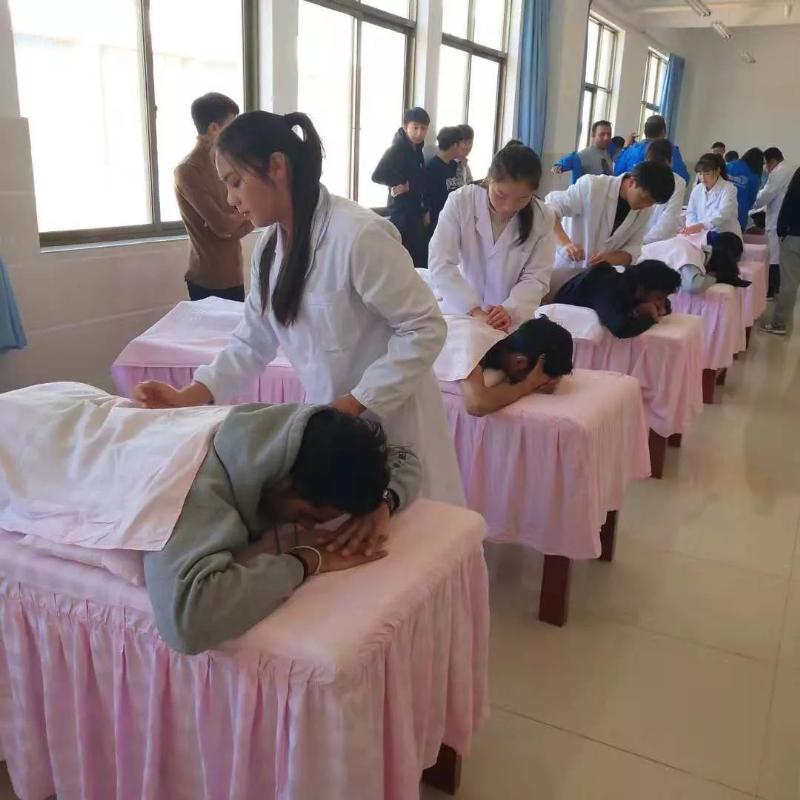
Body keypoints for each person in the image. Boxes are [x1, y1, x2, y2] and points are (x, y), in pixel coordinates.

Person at [135, 110, 464, 508]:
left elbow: (425, 328)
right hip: (337, 428)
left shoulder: (357, 235)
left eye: (235, 182)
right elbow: (252, 340)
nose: (230, 200)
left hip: (396, 422)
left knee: (413, 533)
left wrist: (356, 402)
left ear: (277, 166)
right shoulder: (268, 250)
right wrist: (192, 394)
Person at [428, 143, 555, 333]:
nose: (508, 207)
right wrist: (475, 310)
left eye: (522, 199)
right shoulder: (461, 202)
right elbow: (441, 263)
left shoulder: (543, 217)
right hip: (461, 311)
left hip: (510, 320)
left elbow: (536, 278)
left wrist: (510, 310)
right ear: (489, 179)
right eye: (501, 195)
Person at [174, 93, 253, 302]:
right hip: (206, 279)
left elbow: (251, 214)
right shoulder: (188, 170)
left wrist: (238, 218)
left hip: (234, 275)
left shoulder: (228, 163)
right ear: (214, 128)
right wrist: (239, 217)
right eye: (231, 125)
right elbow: (223, 226)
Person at [545, 161, 674, 283]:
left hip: (596, 279)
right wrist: (566, 244)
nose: (646, 205)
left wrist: (611, 258)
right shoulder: (592, 186)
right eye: (643, 198)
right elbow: (550, 211)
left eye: (651, 203)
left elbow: (633, 248)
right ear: (631, 182)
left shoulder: (645, 210)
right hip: (564, 270)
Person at [460, 317, 574, 416]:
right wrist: (529, 384)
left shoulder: (502, 347)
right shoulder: (471, 342)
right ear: (520, 362)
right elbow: (476, 405)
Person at [554, 259, 680, 338]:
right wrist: (649, 317)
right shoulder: (606, 289)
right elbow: (620, 329)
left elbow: (665, 307)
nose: (662, 305)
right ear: (642, 288)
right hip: (563, 323)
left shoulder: (634, 286)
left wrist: (660, 307)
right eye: (658, 298)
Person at [372, 107, 431, 269]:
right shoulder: (396, 149)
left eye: (423, 129)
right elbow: (377, 175)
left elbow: (420, 180)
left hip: (415, 210)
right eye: (415, 128)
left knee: (419, 257)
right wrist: (402, 183)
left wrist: (425, 208)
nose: (419, 133)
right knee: (405, 259)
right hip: (401, 213)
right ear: (405, 127)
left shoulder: (417, 149)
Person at [759, 165, 800, 335]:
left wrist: (781, 231)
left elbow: (790, 202)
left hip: (795, 236)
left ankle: (780, 323)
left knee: (789, 282)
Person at [642, 231, 750, 294]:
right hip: (637, 266)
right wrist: (716, 278)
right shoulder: (691, 253)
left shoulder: (697, 250)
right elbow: (692, 286)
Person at [752, 147, 795, 297]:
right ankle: (776, 288)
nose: (765, 168)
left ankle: (772, 289)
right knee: (780, 255)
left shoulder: (779, 172)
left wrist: (751, 202)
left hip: (778, 218)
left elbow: (766, 194)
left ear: (773, 161)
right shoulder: (791, 168)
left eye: (766, 163)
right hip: (786, 219)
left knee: (773, 255)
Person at [613, 115, 690, 183]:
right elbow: (684, 178)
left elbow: (617, 174)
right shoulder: (669, 150)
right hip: (658, 193)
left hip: (630, 193)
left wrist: (625, 147)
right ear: (663, 132)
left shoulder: (629, 150)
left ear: (645, 132)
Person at [682, 153, 742, 238]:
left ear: (717, 171)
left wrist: (701, 226)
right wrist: (692, 227)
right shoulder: (697, 189)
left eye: (707, 173)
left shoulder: (729, 188)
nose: (703, 178)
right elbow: (691, 212)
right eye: (700, 173)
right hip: (701, 236)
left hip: (725, 236)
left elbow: (723, 214)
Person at [643, 139, 687, 244]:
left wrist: (642, 241)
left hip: (658, 241)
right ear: (670, 161)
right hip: (639, 240)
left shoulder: (678, 183)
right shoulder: (641, 178)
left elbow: (668, 221)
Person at [424, 126, 466, 231]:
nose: (464, 147)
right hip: (439, 223)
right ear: (455, 145)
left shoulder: (453, 165)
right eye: (462, 143)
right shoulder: (433, 168)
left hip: (454, 219)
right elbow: (430, 199)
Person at [725, 148, 765, 231]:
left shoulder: (730, 165)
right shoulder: (754, 174)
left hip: (723, 207)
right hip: (741, 210)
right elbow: (753, 196)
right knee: (735, 236)